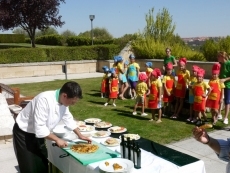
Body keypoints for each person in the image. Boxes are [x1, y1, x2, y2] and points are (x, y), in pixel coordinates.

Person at [13, 81, 92, 173]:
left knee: (42, 164)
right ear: (64, 95)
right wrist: (57, 139)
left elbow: (68, 118)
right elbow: (40, 128)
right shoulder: (44, 99)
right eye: (72, 102)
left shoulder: (63, 101)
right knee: (29, 168)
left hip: (39, 135)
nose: (72, 104)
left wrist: (80, 135)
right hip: (24, 134)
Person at [218, 51, 230, 124]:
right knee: (220, 99)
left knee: (227, 101)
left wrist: (224, 79)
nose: (217, 58)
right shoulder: (220, 64)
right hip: (220, 84)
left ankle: (226, 118)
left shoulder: (229, 63)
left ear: (222, 57)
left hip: (228, 85)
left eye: (218, 56)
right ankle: (219, 114)